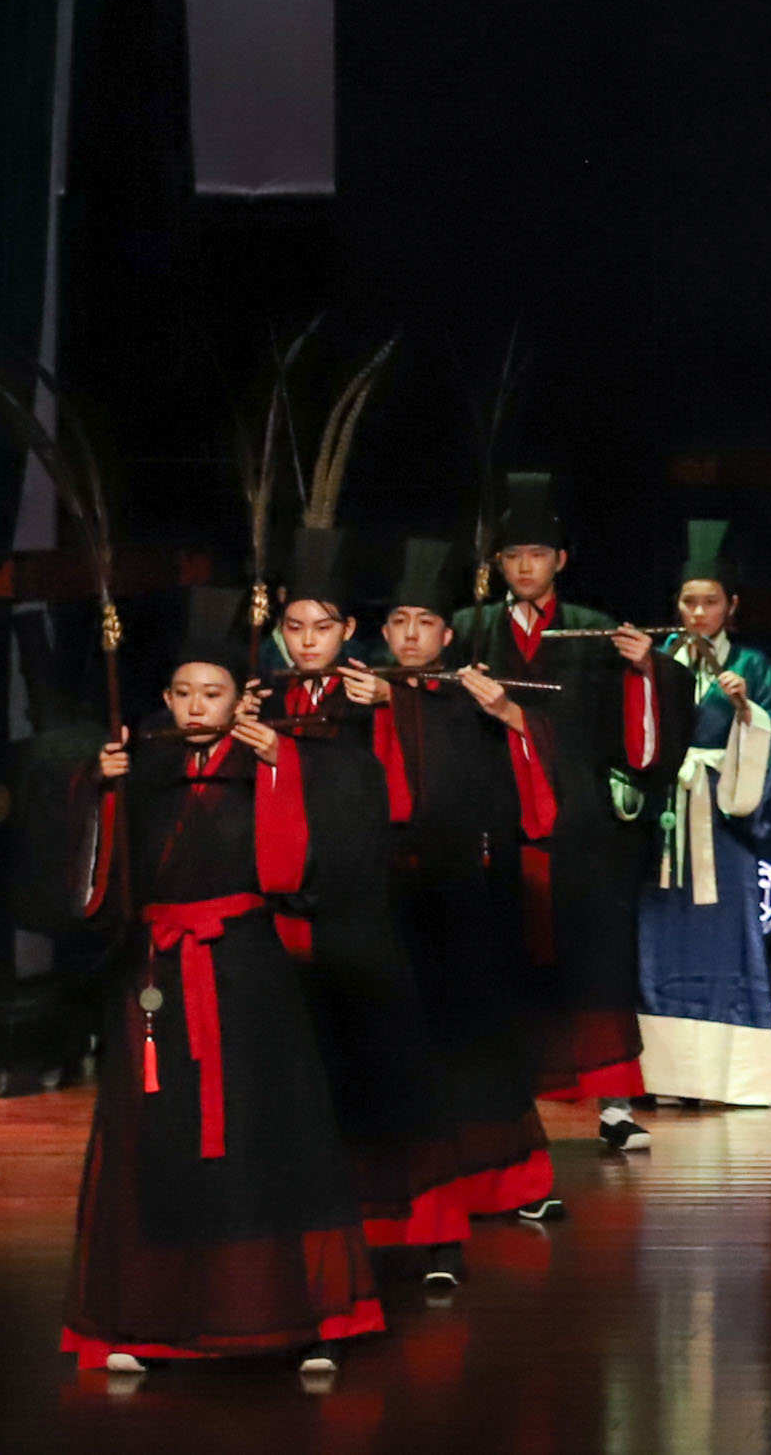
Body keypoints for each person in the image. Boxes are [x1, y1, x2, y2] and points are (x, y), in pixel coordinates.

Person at [61, 591, 382, 1376]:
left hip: (246, 971)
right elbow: (98, 876)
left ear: (242, 697)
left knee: (265, 1134)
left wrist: (279, 765)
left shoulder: (276, 753)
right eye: (183, 692)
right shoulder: (145, 762)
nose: (197, 706)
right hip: (157, 971)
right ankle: (148, 1320)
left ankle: (300, 1318)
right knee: (158, 1139)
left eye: (213, 692)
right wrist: (97, 785)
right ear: (166, 697)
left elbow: (338, 835)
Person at [260, 524, 475, 1274]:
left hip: (363, 906)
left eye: (322, 627)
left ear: (349, 630)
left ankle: (431, 1231)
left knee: (389, 1066)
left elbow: (428, 788)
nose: (307, 640)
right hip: (286, 914)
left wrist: (392, 706)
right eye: (294, 626)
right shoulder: (263, 698)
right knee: (301, 1076)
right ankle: (316, 1231)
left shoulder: (378, 693)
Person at [450, 472, 685, 1152]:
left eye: (537, 554)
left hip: (581, 826)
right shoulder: (470, 629)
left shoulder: (594, 629)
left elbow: (633, 739)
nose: (525, 567)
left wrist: (645, 671)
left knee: (596, 965)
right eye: (512, 556)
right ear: (498, 565)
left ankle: (614, 1104)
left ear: (560, 560)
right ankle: (505, 1102)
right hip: (497, 817)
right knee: (504, 962)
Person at [363, 535, 565, 1230]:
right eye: (399, 621)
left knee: (476, 1045)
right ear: (382, 631)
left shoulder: (464, 697)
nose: (410, 634)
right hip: (381, 895)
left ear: (447, 635)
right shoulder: (360, 695)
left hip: (457, 893)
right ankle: (407, 1191)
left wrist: (507, 712)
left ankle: (504, 1183)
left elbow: (532, 764)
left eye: (425, 622)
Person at [632, 522, 771, 1108]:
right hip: (665, 818)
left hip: (724, 819)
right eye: (689, 602)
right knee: (661, 934)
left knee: (725, 936)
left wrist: (747, 711)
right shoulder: (657, 660)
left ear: (732, 606)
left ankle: (735, 1078)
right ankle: (665, 1076)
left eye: (710, 601)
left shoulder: (753, 665)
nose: (698, 612)